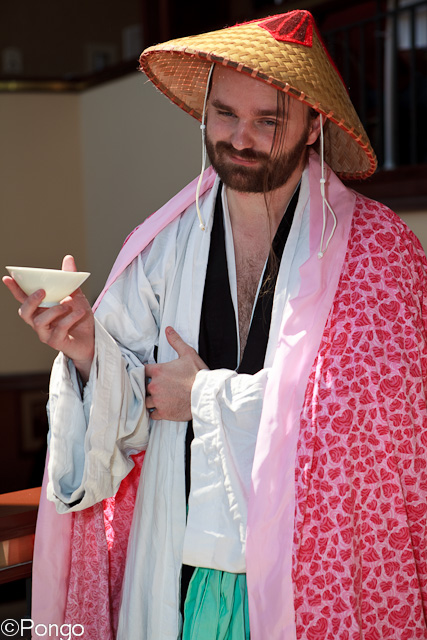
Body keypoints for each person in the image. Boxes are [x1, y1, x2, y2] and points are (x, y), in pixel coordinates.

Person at [4, 9, 427, 640]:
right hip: (179, 572)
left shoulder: (379, 252)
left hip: (313, 578)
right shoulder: (166, 243)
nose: (241, 138)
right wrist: (90, 352)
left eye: (268, 121)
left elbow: (369, 431)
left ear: (314, 125)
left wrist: (202, 397)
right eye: (225, 113)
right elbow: (127, 411)